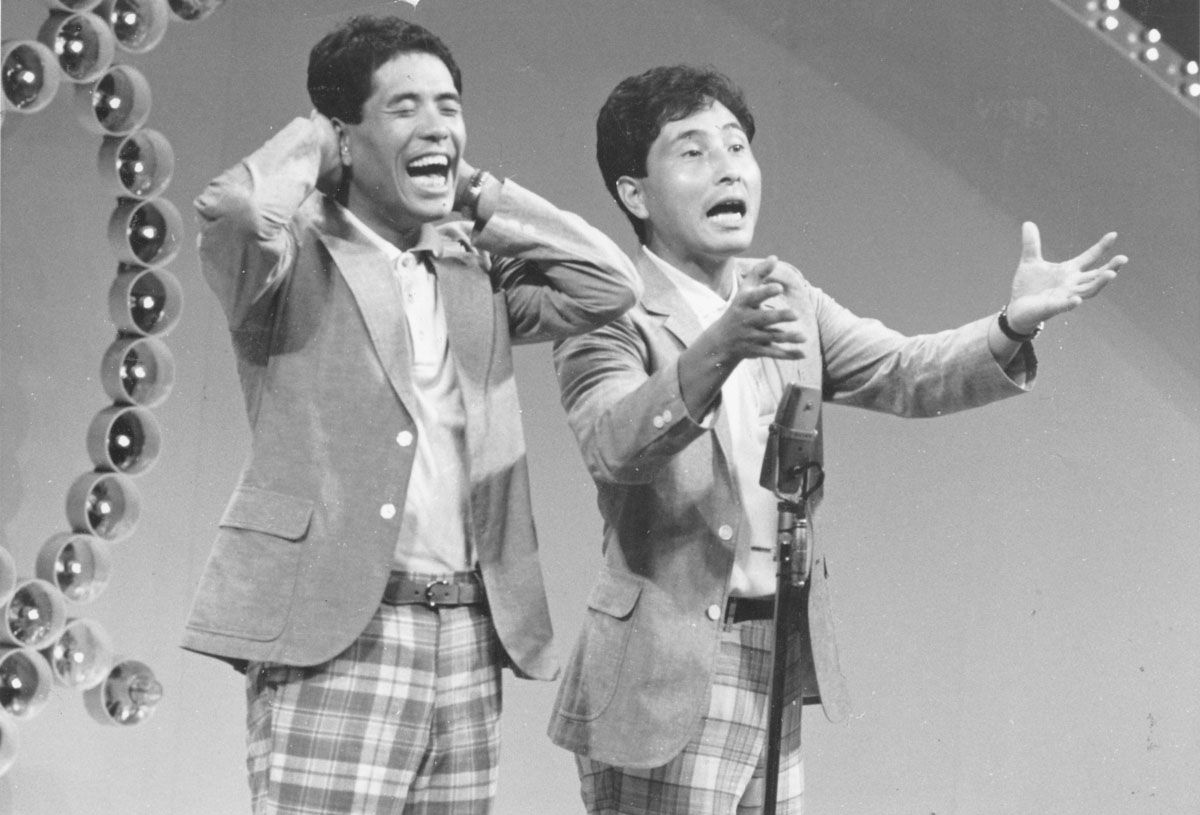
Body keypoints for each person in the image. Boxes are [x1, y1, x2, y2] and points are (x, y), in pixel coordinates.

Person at [547, 64, 1125, 815]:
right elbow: (613, 446)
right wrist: (721, 346)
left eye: (737, 146)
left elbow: (902, 370)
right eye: (693, 152)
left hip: (776, 656)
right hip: (659, 675)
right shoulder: (608, 310)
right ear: (634, 193)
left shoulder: (785, 293)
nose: (729, 168)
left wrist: (1011, 325)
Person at [181, 15, 640, 815]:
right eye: (404, 107)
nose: (436, 126)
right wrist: (314, 144)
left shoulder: (472, 266)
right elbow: (236, 210)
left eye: (449, 106)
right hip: (337, 635)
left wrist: (477, 190)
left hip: (466, 632)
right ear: (342, 135)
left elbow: (610, 284)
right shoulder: (288, 256)